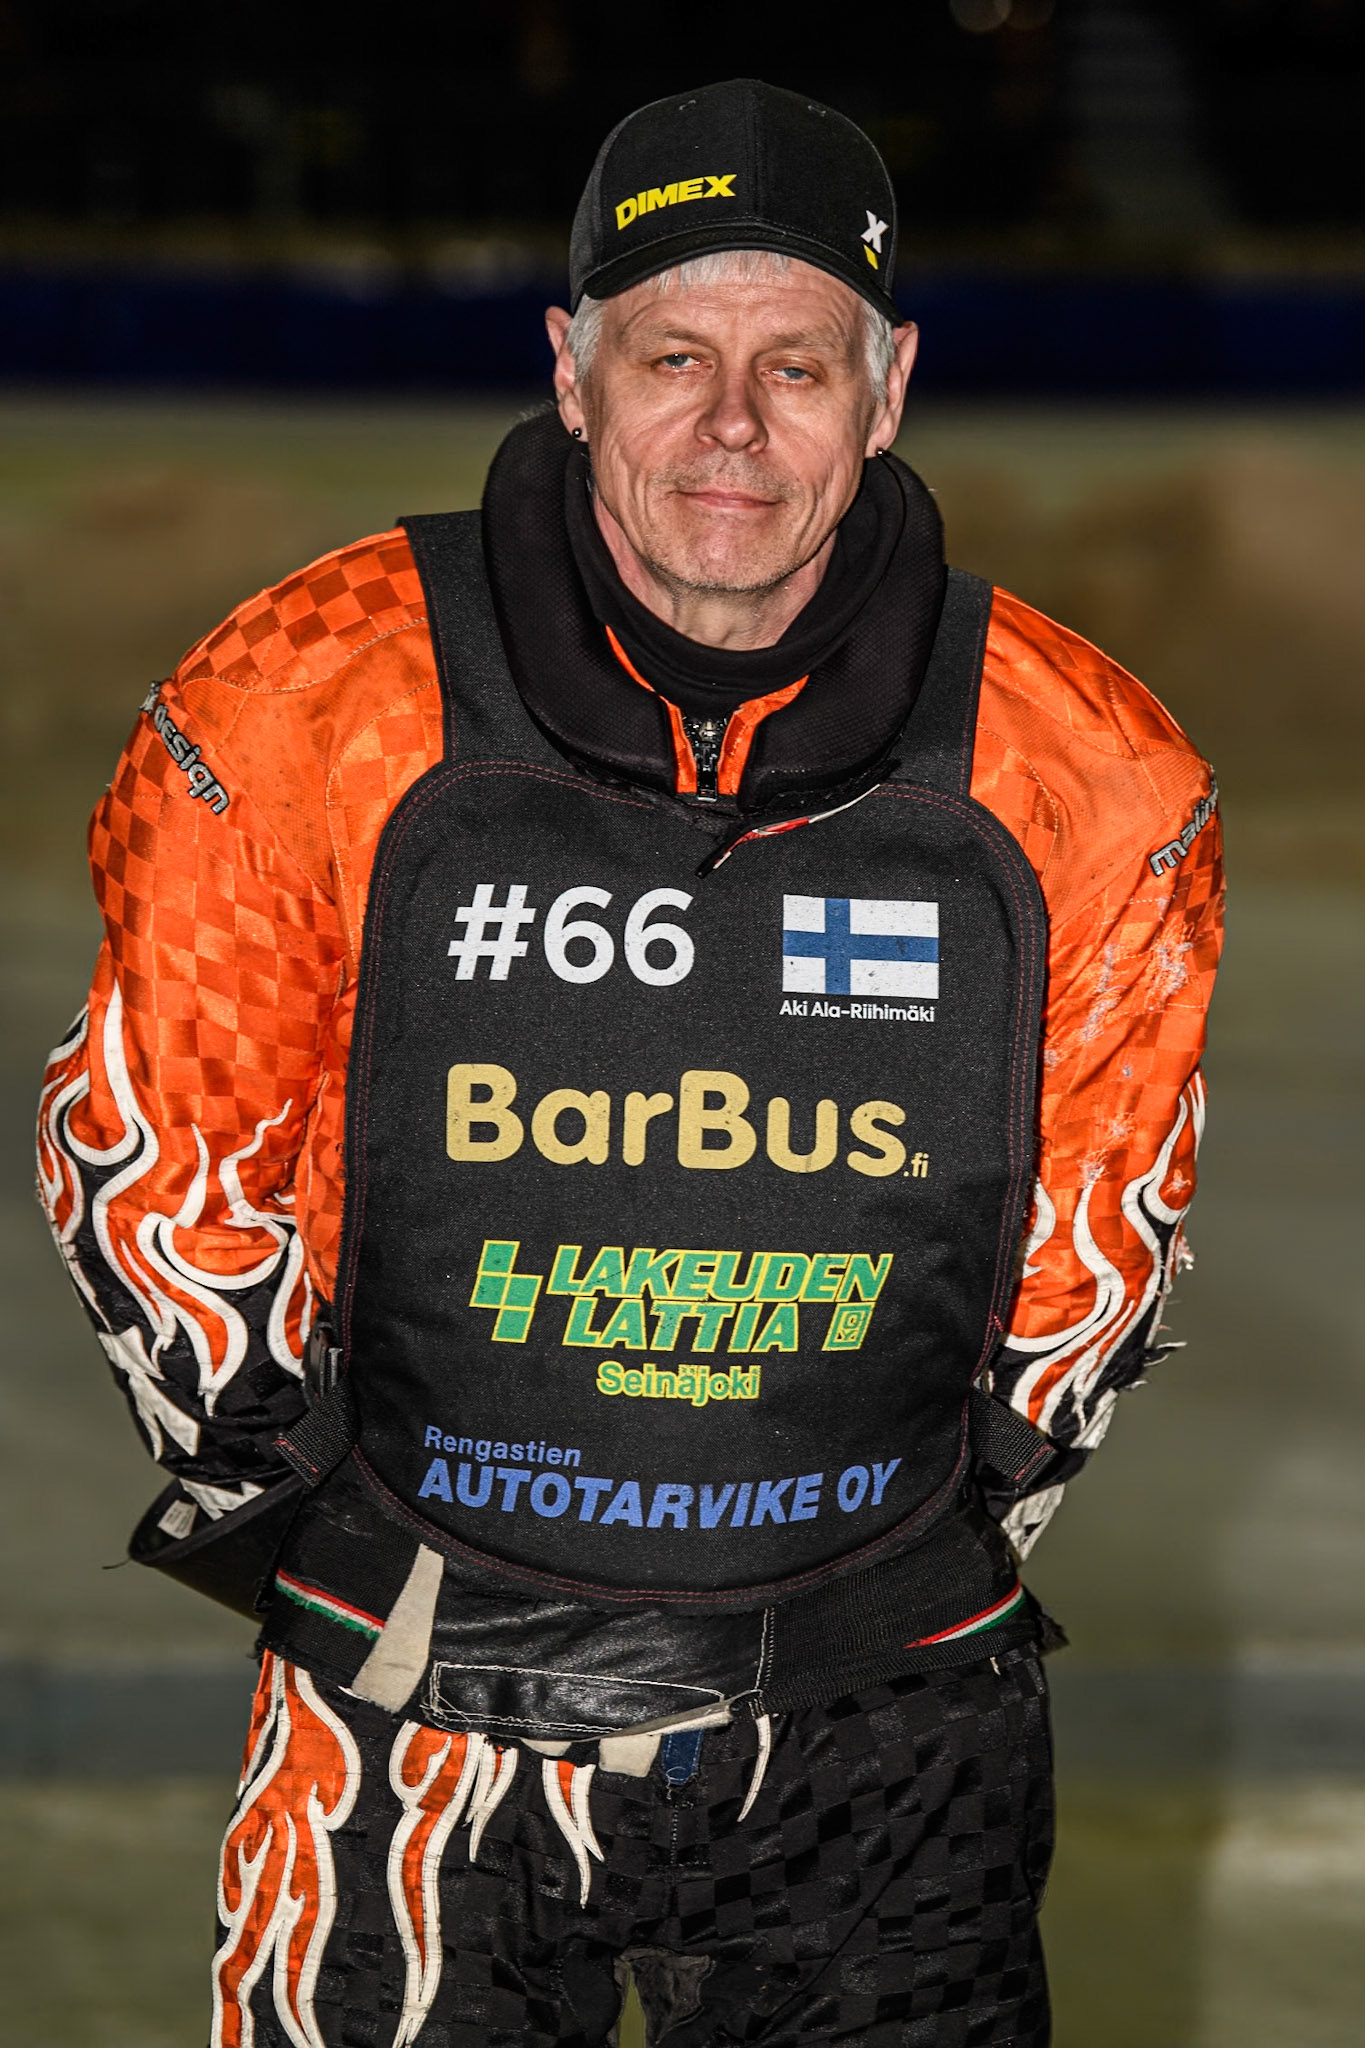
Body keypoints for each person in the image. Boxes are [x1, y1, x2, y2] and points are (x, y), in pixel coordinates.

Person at [37, 78, 1221, 2048]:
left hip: (883, 1763)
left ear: (891, 382)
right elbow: (156, 1159)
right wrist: (340, 1552)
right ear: (571, 370)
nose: (734, 428)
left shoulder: (1089, 770)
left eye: (797, 362)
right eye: (673, 355)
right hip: (411, 1752)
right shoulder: (304, 694)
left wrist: (849, 1579)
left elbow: (1090, 1262)